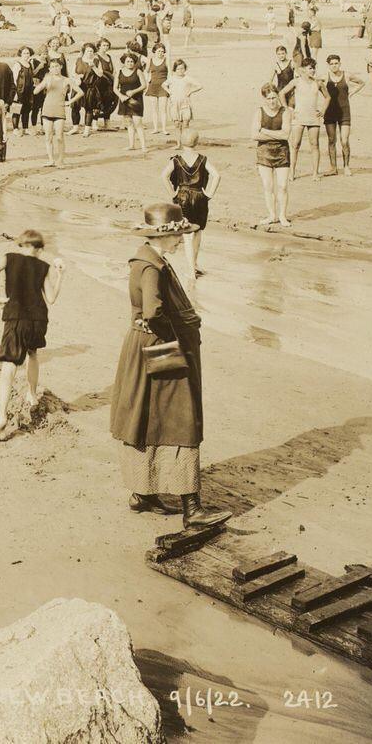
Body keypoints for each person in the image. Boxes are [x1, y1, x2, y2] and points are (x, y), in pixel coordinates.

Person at [110, 203, 231, 528]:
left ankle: (142, 494)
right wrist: (174, 345)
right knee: (181, 419)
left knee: (147, 417)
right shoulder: (152, 267)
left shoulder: (147, 259)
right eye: (178, 235)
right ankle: (193, 510)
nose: (180, 240)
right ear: (164, 236)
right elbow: (153, 312)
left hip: (145, 347)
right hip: (159, 347)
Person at [0, 230, 64, 442]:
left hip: (16, 316)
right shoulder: (44, 267)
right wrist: (60, 275)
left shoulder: (9, 258)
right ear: (39, 249)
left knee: (8, 368)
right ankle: (31, 393)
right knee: (33, 354)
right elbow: (52, 298)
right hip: (38, 319)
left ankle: (2, 415)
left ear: (22, 245)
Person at [161, 130, 220, 275]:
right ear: (197, 141)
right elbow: (217, 175)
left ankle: (190, 271)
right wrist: (210, 193)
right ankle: (194, 264)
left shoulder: (176, 160)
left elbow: (164, 176)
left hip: (182, 197)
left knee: (187, 235)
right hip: (200, 196)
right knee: (198, 231)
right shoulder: (203, 159)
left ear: (180, 141)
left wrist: (173, 193)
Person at [279, 58, 328, 181]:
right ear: (303, 69)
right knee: (295, 145)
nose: (313, 70)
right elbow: (281, 93)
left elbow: (328, 97)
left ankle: (315, 173)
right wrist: (287, 109)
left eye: (313, 68)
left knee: (314, 144)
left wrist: (322, 111)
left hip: (313, 117)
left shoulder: (318, 83)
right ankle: (291, 173)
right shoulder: (296, 82)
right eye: (310, 68)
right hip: (299, 117)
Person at [252, 84, 293, 227]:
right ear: (264, 99)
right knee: (268, 186)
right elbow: (254, 135)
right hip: (264, 153)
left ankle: (282, 215)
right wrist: (277, 135)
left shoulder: (285, 112)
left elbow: (286, 135)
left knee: (282, 186)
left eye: (274, 97)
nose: (272, 101)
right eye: (268, 98)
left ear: (277, 96)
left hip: (282, 153)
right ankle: (272, 215)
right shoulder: (259, 112)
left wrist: (264, 131)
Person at [35, 54, 81, 166]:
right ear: (49, 68)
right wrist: (43, 83)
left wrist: (69, 102)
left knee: (60, 137)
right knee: (48, 137)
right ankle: (51, 159)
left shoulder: (67, 80)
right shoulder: (48, 79)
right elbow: (35, 92)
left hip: (59, 110)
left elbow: (80, 92)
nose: (55, 68)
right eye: (52, 67)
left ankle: (61, 160)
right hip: (47, 110)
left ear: (61, 66)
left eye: (57, 66)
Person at [322, 54, 364, 176]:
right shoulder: (325, 76)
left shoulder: (347, 75)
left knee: (344, 140)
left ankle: (346, 166)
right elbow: (314, 84)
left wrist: (352, 93)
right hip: (329, 111)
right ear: (328, 65)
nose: (334, 66)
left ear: (340, 63)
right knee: (331, 140)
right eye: (331, 64)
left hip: (344, 111)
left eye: (336, 63)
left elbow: (361, 83)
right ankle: (333, 168)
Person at [114, 53, 149, 153]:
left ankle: (143, 146)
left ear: (135, 62)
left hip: (136, 99)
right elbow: (115, 88)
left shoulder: (138, 71)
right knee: (129, 123)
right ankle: (131, 145)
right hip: (124, 99)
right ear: (124, 62)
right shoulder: (119, 72)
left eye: (132, 61)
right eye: (128, 61)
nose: (130, 63)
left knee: (138, 122)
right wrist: (121, 96)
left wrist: (133, 91)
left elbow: (144, 85)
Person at [165, 59, 202, 147]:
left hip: (185, 104)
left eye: (182, 69)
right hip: (174, 105)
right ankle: (178, 144)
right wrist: (169, 92)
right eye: (178, 69)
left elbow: (200, 86)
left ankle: (186, 144)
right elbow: (163, 85)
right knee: (177, 125)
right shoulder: (172, 78)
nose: (180, 71)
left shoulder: (187, 78)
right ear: (175, 70)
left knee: (185, 125)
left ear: (185, 69)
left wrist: (190, 92)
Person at [10, 46, 38, 138]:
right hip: (19, 91)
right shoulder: (18, 65)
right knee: (17, 109)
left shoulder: (30, 64)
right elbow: (13, 79)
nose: (26, 55)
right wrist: (14, 93)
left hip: (28, 91)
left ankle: (25, 128)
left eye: (28, 53)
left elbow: (31, 76)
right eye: (24, 53)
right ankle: (15, 129)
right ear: (20, 54)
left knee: (26, 109)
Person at [145, 43, 172, 136]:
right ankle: (155, 128)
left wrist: (168, 84)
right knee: (154, 109)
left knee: (163, 108)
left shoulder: (166, 60)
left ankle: (164, 129)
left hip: (163, 87)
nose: (161, 53)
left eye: (162, 51)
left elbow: (170, 74)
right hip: (152, 86)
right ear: (154, 51)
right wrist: (147, 79)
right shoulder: (150, 60)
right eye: (159, 51)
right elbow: (146, 71)